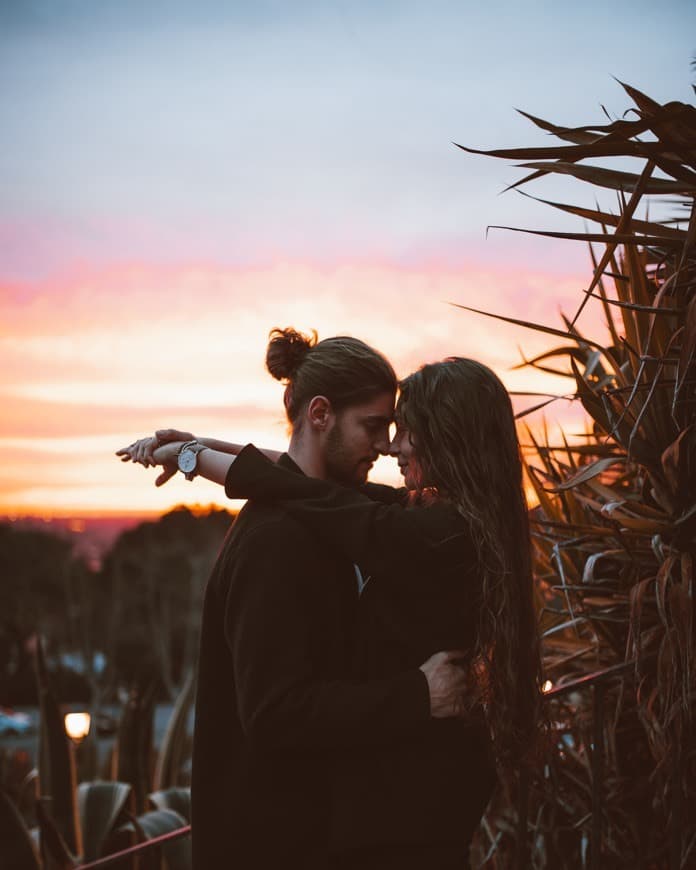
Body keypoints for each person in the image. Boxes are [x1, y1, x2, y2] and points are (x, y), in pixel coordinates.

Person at [119, 329, 472, 870]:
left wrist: (199, 449)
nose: (383, 446)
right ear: (321, 414)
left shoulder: (323, 516)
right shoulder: (278, 542)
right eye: (373, 427)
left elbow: (290, 481)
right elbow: (275, 712)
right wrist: (416, 695)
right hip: (274, 846)